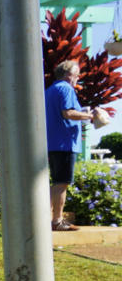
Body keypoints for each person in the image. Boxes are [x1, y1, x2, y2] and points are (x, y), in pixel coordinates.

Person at [44, 59, 95, 232]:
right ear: (68, 75)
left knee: (56, 182)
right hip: (64, 143)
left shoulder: (50, 90)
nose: (77, 78)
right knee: (62, 183)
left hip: (52, 142)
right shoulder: (66, 88)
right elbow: (68, 113)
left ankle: (45, 218)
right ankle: (57, 221)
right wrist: (89, 116)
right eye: (76, 75)